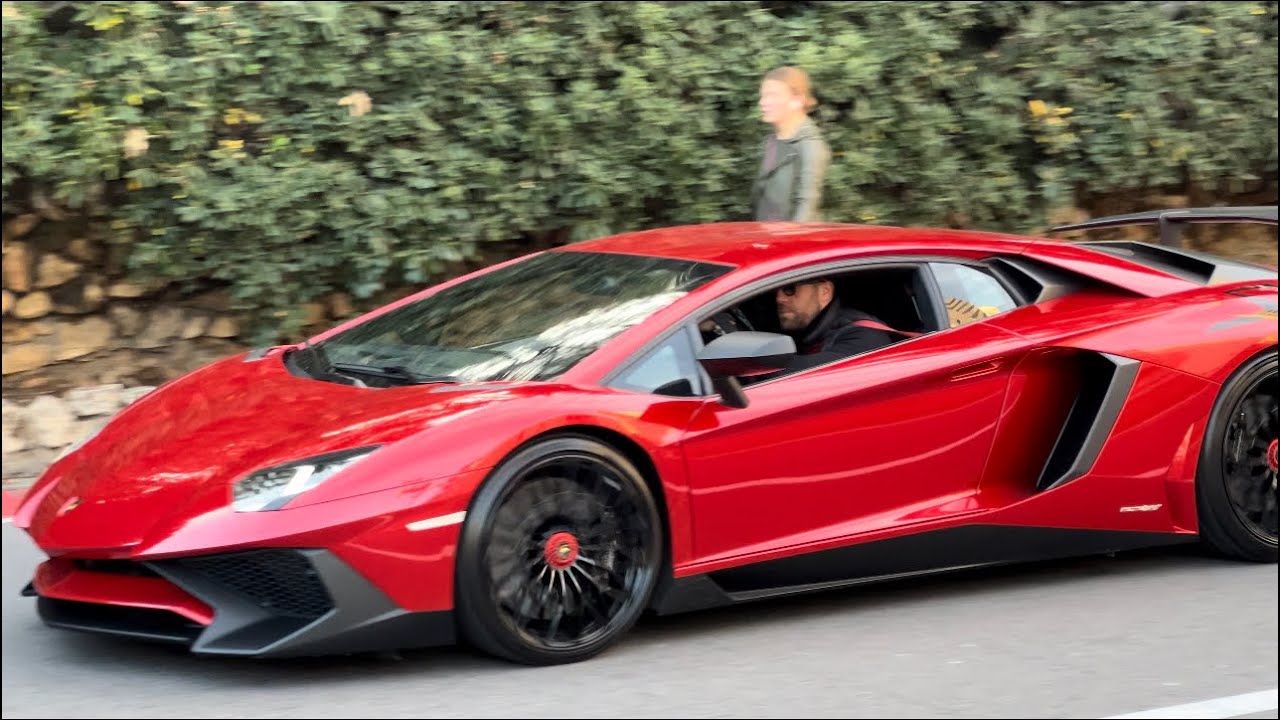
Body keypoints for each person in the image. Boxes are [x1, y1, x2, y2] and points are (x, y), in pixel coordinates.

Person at [750, 66, 832, 223]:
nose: (762, 102)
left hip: (794, 236)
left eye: (772, 95)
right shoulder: (772, 142)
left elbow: (807, 207)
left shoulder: (811, 146)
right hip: (766, 233)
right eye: (763, 96)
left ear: (797, 101)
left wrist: (790, 236)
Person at [772, 278, 895, 372]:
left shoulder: (866, 337)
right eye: (775, 290)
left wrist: (762, 364)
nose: (779, 299)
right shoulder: (806, 332)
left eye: (790, 289)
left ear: (825, 292)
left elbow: (809, 374)